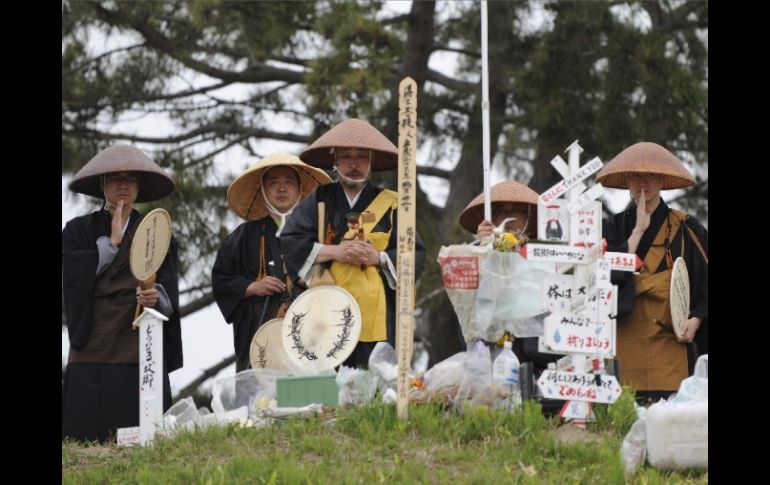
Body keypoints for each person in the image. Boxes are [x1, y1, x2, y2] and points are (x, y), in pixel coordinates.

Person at [280, 118, 426, 368]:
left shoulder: (392, 203)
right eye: (346, 156)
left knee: (376, 380)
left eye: (361, 157)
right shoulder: (320, 198)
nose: (354, 164)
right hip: (328, 306)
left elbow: (415, 253)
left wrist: (378, 257)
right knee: (331, 380)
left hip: (377, 311)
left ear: (371, 163)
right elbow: (291, 240)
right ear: (334, 160)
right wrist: (336, 251)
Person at [62, 144, 182, 442]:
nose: (122, 185)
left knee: (142, 431)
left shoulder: (154, 229)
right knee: (85, 436)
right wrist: (110, 244)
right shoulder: (78, 230)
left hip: (138, 336)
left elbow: (167, 283)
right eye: (115, 178)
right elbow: (69, 274)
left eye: (129, 179)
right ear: (103, 185)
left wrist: (157, 296)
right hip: (93, 334)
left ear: (138, 187)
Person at [597, 142, 708, 402]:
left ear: (661, 180)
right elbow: (607, 279)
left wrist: (698, 318)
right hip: (623, 346)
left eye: (650, 175)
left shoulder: (685, 227)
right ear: (626, 181)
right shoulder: (612, 228)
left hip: (670, 348)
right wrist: (637, 232)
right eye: (635, 175)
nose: (642, 183)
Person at [211, 154, 332, 372]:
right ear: (263, 191)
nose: (281, 188)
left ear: (300, 190)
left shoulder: (319, 231)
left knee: (311, 398)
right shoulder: (243, 236)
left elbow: (337, 279)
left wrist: (307, 275)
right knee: (260, 399)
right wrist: (252, 287)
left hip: (311, 327)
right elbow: (221, 279)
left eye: (289, 182)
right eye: (273, 183)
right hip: (260, 329)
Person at [458, 180, 556, 370]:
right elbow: (466, 307)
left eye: (517, 210)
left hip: (532, 361)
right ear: (491, 218)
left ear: (528, 217)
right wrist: (482, 248)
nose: (509, 218)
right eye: (501, 210)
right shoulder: (475, 255)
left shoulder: (543, 262)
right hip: (485, 357)